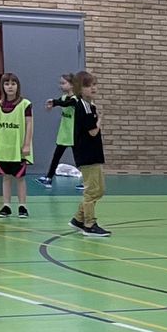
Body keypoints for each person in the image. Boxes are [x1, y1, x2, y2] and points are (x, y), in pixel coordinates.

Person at [68, 74, 109, 236]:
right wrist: (99, 120)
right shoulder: (83, 107)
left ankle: (78, 219)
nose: (93, 88)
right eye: (88, 85)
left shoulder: (90, 106)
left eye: (94, 84)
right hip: (87, 155)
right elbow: (93, 132)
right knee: (92, 190)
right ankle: (89, 224)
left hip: (94, 154)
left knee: (99, 190)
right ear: (79, 89)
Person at [0, 74, 32, 216]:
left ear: (17, 86)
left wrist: (27, 144)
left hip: (18, 148)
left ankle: (22, 206)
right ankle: (6, 205)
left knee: (20, 178)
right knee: (6, 177)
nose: (10, 86)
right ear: (2, 86)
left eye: (13, 83)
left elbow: (29, 124)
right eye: (7, 84)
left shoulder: (25, 104)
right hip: (3, 148)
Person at [40, 73, 78, 188]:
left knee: (79, 159)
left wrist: (55, 102)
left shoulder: (75, 99)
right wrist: (51, 105)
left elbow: (66, 104)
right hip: (64, 134)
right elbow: (60, 101)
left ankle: (86, 181)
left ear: (72, 85)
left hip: (74, 134)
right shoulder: (63, 97)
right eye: (60, 83)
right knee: (56, 157)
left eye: (63, 83)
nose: (61, 85)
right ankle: (49, 177)